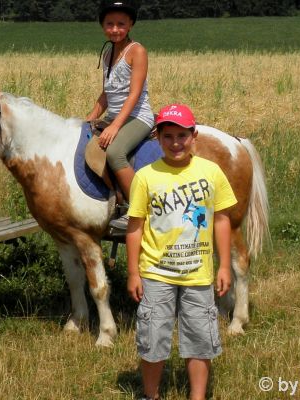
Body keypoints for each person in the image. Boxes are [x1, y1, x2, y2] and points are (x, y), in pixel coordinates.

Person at [125, 104, 234, 400]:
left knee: (200, 338)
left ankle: (197, 396)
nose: (176, 143)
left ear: (193, 136)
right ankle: (151, 394)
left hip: (198, 273)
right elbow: (135, 226)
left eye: (182, 135)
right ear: (158, 139)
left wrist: (224, 266)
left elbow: (222, 219)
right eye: (168, 136)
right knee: (153, 336)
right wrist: (133, 272)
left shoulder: (211, 172)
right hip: (156, 273)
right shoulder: (145, 177)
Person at [86, 0, 154, 231]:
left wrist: (115, 126)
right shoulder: (107, 53)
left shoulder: (137, 51)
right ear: (103, 26)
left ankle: (139, 209)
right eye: (110, 24)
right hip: (116, 115)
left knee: (115, 152)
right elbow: (107, 93)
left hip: (137, 116)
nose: (115, 29)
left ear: (131, 25)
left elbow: (134, 94)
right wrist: (90, 117)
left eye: (121, 24)